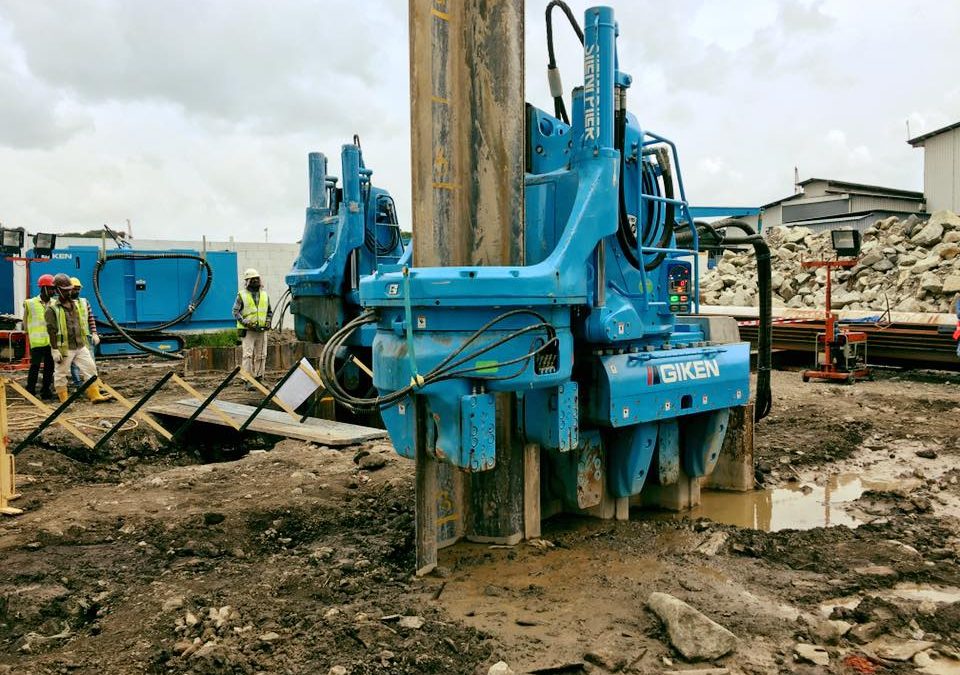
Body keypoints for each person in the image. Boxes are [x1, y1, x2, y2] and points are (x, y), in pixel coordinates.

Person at [45, 273, 110, 403]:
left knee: (90, 369)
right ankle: (64, 401)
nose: (69, 292)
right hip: (65, 348)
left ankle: (95, 395)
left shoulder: (75, 305)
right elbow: (51, 331)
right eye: (65, 290)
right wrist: (54, 349)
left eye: (70, 289)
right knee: (60, 374)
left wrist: (93, 333)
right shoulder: (52, 309)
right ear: (57, 290)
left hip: (80, 345)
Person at [232, 268, 272, 381]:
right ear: (247, 281)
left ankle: (259, 377)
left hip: (262, 330)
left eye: (256, 279)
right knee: (248, 355)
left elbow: (269, 311)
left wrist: (268, 322)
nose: (255, 281)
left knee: (261, 355)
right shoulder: (242, 295)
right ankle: (248, 379)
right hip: (248, 330)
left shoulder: (264, 295)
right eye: (252, 279)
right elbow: (235, 312)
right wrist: (245, 322)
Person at [23, 273, 56, 399]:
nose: (53, 291)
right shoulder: (30, 303)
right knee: (35, 366)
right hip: (37, 342)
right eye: (51, 288)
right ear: (44, 288)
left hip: (51, 342)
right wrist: (27, 333)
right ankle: (30, 391)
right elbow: (25, 320)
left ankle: (46, 391)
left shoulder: (55, 303)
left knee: (49, 367)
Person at [69, 277, 100, 388]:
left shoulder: (84, 302)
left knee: (90, 362)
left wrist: (94, 333)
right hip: (72, 338)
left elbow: (90, 318)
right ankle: (78, 385)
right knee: (74, 363)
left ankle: (92, 384)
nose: (76, 291)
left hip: (86, 336)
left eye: (78, 289)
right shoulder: (64, 304)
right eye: (74, 289)